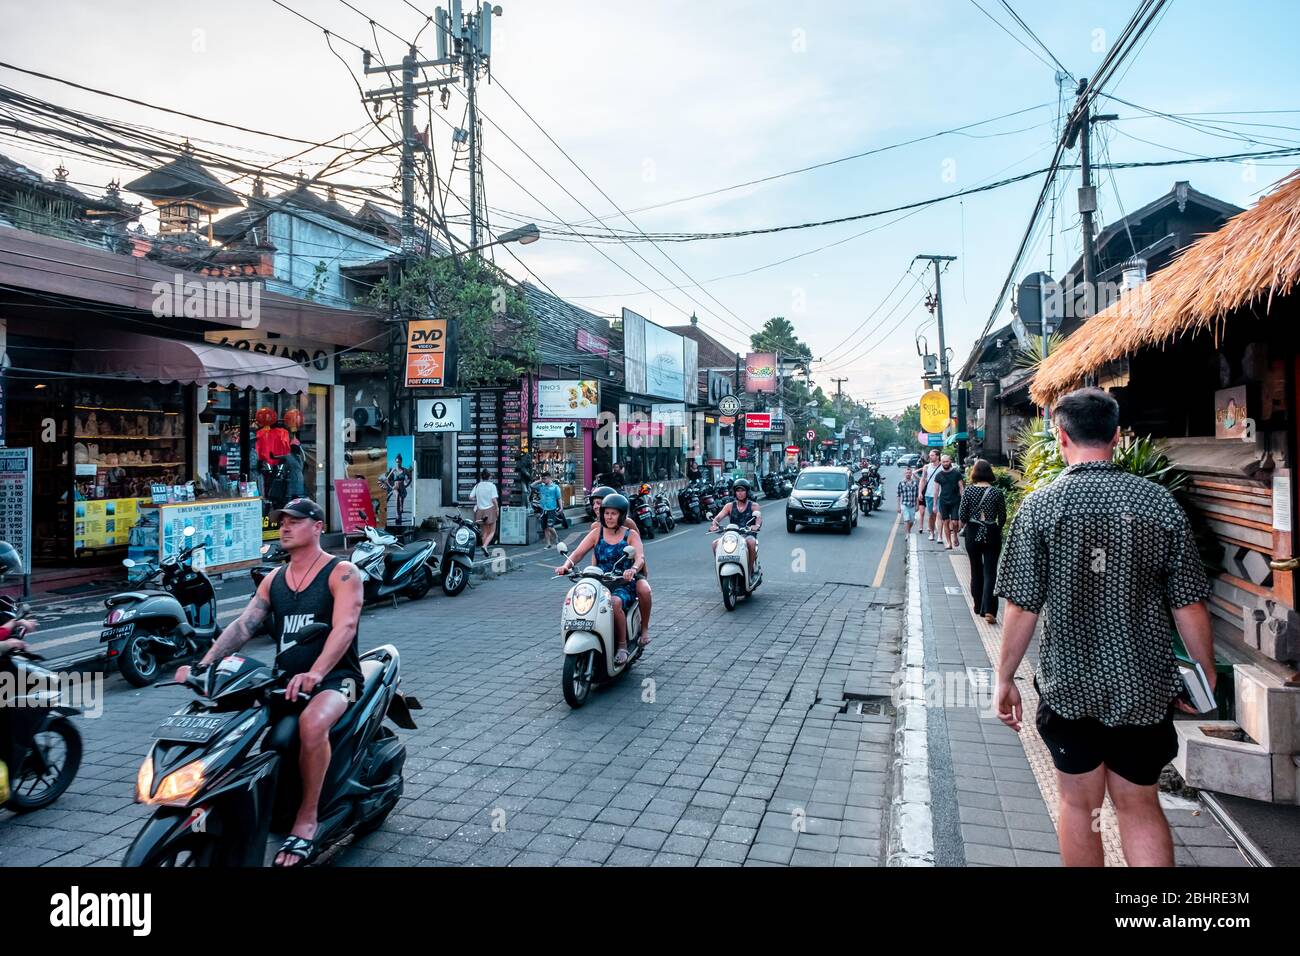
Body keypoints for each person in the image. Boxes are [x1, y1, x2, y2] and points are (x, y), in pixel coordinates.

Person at [994, 388, 1215, 867]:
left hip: (1069, 688)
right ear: (1117, 435)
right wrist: (1204, 673)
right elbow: (1189, 605)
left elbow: (1022, 607)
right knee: (1139, 806)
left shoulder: (1042, 507)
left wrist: (1005, 676)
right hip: (1143, 688)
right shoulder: (1158, 504)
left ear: (1061, 436)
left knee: (1079, 806)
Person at [174, 498, 364, 867]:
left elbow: (345, 628)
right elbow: (244, 625)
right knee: (238, 725)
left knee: (312, 723)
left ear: (318, 526)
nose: (285, 527)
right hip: (283, 680)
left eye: (295, 521)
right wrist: (203, 666)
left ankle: (306, 821)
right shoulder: (274, 580)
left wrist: (318, 672)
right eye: (282, 522)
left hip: (337, 679)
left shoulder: (341, 573)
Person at [556, 494, 645, 666]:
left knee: (615, 602)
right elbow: (578, 553)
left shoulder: (631, 534)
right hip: (598, 581)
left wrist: (632, 569)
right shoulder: (597, 533)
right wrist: (566, 566)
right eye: (606, 513)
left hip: (622, 582)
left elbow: (640, 557)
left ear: (621, 515)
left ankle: (621, 646)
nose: (609, 517)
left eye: (613, 514)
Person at [588, 485, 653, 645]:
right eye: (595, 503)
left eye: (600, 502)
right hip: (605, 574)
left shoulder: (627, 524)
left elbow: (638, 549)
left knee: (644, 589)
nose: (597, 507)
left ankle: (644, 629)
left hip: (628, 571)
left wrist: (638, 570)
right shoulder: (596, 527)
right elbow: (595, 552)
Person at [957, 459, 1006, 623]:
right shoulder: (997, 492)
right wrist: (995, 530)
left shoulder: (969, 492)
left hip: (973, 532)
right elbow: (1003, 516)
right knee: (991, 572)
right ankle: (990, 610)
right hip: (991, 532)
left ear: (975, 473)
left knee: (976, 569)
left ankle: (978, 606)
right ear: (990, 473)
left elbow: (962, 516)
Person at [709, 478, 761, 578]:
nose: (740, 493)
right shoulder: (729, 506)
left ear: (747, 492)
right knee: (715, 544)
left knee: (751, 542)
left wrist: (756, 525)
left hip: (747, 534)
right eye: (738, 490)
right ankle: (720, 571)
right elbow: (719, 517)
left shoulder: (754, 506)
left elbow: (758, 518)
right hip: (732, 535)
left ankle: (749, 571)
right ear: (735, 492)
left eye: (743, 490)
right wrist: (714, 524)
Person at [933, 454, 964, 549]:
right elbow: (936, 491)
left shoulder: (957, 473)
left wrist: (963, 500)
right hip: (943, 501)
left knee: (955, 522)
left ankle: (955, 535)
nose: (945, 463)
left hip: (955, 500)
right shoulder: (938, 475)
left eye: (947, 461)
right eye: (943, 462)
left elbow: (961, 487)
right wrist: (934, 504)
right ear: (941, 462)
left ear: (950, 461)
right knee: (945, 522)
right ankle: (949, 543)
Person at [469, 469, 499, 555]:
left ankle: (484, 549)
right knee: (492, 531)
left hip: (480, 511)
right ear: (489, 477)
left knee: (484, 532)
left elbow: (470, 497)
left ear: (481, 477)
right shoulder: (492, 486)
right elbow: (494, 499)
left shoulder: (477, 486)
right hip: (490, 510)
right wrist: (497, 509)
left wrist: (478, 499)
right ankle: (485, 546)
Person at [537, 472, 563, 549]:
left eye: (544, 478)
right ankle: (548, 544)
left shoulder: (555, 487)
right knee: (544, 527)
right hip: (543, 509)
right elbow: (532, 486)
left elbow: (559, 498)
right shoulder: (541, 486)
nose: (543, 480)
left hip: (551, 509)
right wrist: (539, 481)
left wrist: (561, 507)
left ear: (549, 478)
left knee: (550, 526)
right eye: (542, 479)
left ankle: (556, 537)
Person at [919, 449, 942, 539]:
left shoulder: (942, 467)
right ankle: (932, 533)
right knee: (931, 515)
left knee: (940, 515)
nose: (930, 457)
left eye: (932, 455)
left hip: (941, 494)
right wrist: (920, 492)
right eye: (930, 455)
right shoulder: (926, 467)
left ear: (937, 456)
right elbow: (923, 480)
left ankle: (940, 535)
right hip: (929, 494)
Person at [896, 465, 919, 534]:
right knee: (906, 519)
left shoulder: (915, 483)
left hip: (912, 504)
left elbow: (917, 495)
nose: (908, 474)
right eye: (906, 473)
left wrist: (917, 505)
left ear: (911, 474)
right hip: (904, 504)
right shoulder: (901, 483)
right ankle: (907, 534)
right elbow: (898, 495)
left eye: (909, 473)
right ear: (904, 474)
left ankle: (908, 530)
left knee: (911, 520)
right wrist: (898, 506)